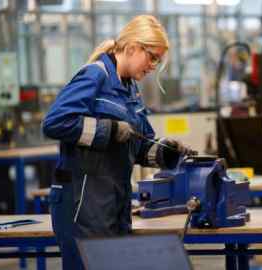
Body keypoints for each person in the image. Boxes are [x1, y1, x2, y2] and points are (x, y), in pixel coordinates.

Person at [42, 15, 194, 270]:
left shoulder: (131, 89)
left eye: (158, 60)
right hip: (82, 204)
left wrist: (168, 152)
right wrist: (108, 130)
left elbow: (139, 145)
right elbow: (55, 122)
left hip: (114, 203)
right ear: (133, 47)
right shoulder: (95, 76)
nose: (154, 66)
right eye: (153, 57)